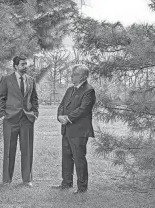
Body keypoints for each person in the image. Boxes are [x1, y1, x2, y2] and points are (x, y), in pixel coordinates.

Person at [53, 64, 96, 194]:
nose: (71, 76)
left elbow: (83, 110)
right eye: (71, 74)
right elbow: (62, 105)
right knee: (66, 156)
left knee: (79, 158)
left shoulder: (89, 90)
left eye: (74, 74)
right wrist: (59, 116)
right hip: (66, 129)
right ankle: (66, 183)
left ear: (83, 76)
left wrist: (67, 118)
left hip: (79, 130)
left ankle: (82, 188)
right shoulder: (70, 89)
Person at [0, 55, 39, 187]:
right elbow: (1, 97)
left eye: (26, 64)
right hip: (10, 119)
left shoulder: (31, 80)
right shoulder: (6, 79)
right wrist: (2, 113)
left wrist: (35, 113)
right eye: (22, 64)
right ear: (15, 66)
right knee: (9, 150)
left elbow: (34, 98)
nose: (25, 66)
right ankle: (7, 180)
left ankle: (27, 180)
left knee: (27, 150)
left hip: (27, 119)